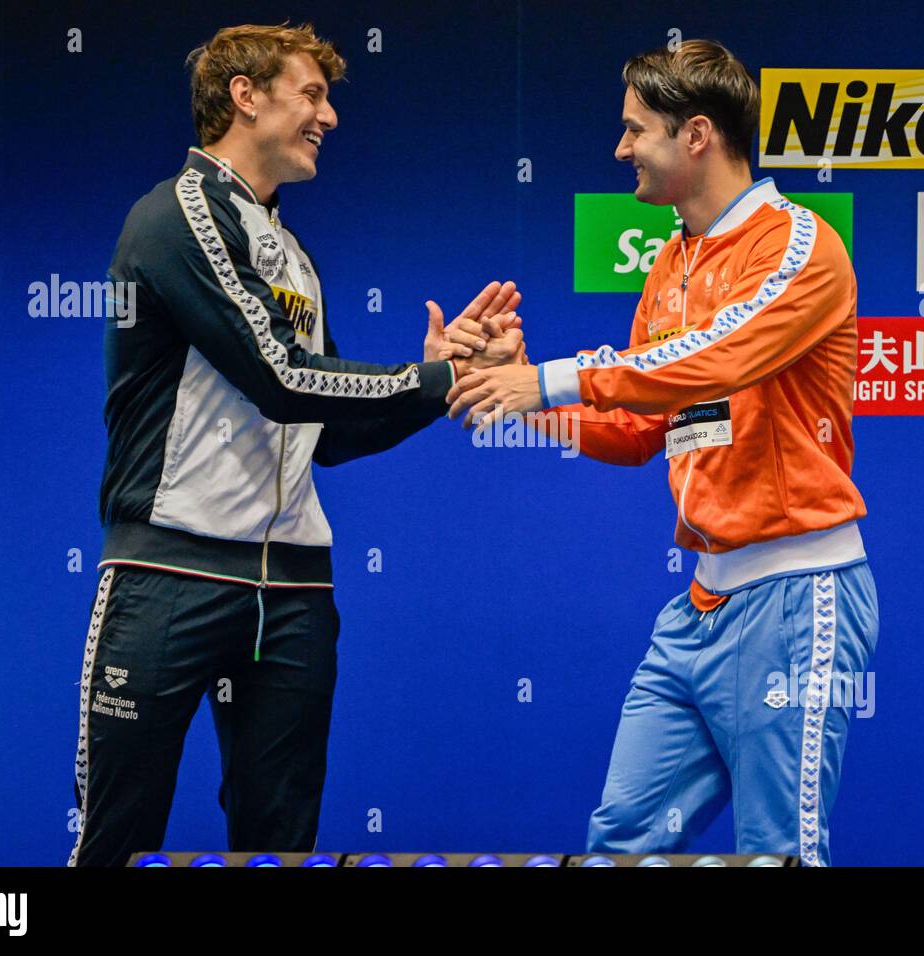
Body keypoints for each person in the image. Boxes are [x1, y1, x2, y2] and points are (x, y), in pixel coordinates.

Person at [67, 22, 523, 867]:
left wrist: (435, 374)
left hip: (296, 591)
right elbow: (279, 375)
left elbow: (322, 430)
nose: (331, 116)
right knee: (117, 846)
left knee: (282, 850)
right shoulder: (177, 213)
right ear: (244, 95)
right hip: (171, 574)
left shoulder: (295, 255)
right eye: (312, 94)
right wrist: (436, 385)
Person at [448, 40, 879, 866]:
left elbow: (719, 356)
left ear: (697, 136)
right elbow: (641, 430)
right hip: (698, 611)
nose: (619, 150)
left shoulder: (800, 244)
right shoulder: (672, 262)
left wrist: (552, 379)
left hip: (798, 596)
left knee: (782, 852)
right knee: (621, 845)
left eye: (633, 129)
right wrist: (511, 394)